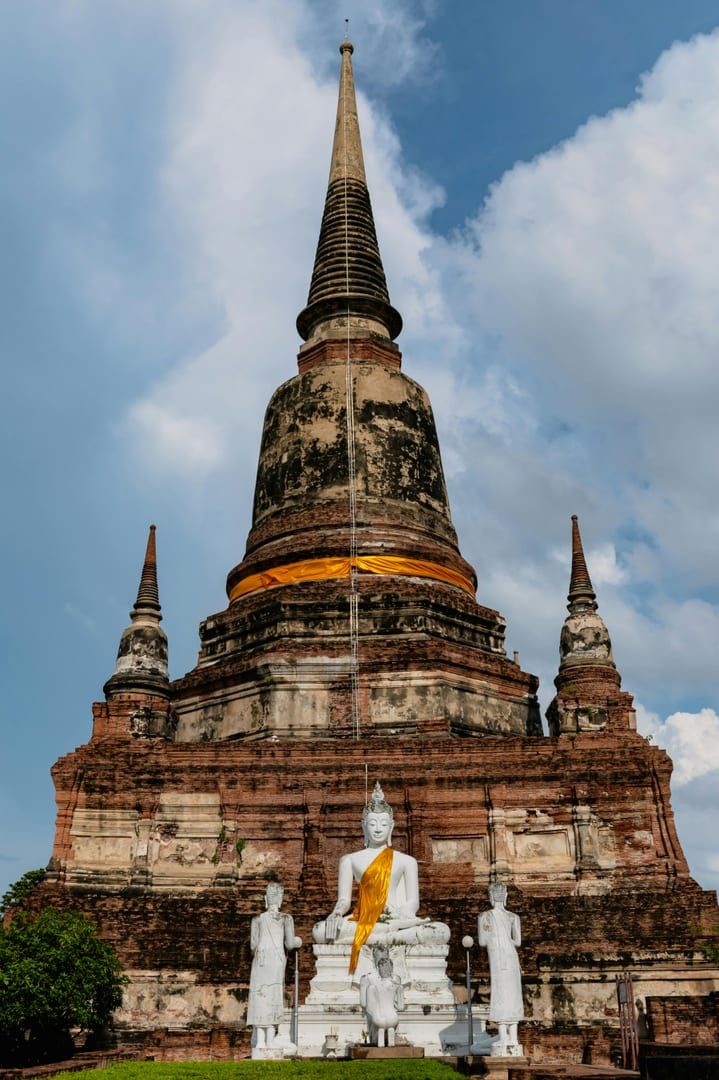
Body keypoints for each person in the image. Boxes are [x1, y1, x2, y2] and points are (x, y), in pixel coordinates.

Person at [313, 782, 449, 973]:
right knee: (320, 930)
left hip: (396, 920)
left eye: (383, 824)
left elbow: (413, 902)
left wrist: (396, 913)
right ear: (363, 826)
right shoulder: (350, 860)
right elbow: (343, 901)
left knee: (439, 931)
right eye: (373, 823)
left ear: (391, 826)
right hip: (362, 920)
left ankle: (381, 937)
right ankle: (381, 938)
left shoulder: (406, 861)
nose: (378, 829)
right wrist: (336, 913)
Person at [247, 882, 296, 1049]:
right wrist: (298, 942)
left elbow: (253, 946)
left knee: (260, 996)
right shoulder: (286, 919)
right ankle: (270, 1039)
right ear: (280, 899)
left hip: (261, 959)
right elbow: (290, 944)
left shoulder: (257, 920)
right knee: (273, 996)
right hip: (276, 959)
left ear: (265, 899)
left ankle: (260, 1041)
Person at [478, 882, 523, 1052]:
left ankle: (504, 1038)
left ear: (490, 897)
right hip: (511, 956)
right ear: (505, 896)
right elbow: (517, 942)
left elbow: (482, 941)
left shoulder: (484, 917)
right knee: (513, 993)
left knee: (500, 993)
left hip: (497, 957)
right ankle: (514, 1038)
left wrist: (495, 938)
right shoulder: (513, 917)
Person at [360, 946, 405, 1047]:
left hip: (380, 1016)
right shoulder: (367, 978)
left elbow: (365, 1004)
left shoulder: (395, 980)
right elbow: (364, 1003)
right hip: (386, 1016)